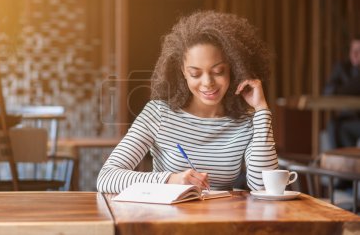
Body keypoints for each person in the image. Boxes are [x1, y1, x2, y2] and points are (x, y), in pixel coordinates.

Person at [97, 10, 278, 194]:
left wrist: (261, 110)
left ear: (234, 67)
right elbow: (107, 177)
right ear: (182, 72)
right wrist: (170, 180)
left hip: (222, 220)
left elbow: (264, 187)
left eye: (218, 71)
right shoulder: (158, 114)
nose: (207, 82)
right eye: (195, 74)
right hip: (166, 220)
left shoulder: (246, 122)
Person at [323, 37, 360, 149]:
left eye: (358, 51)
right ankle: (340, 163)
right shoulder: (342, 67)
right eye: (352, 50)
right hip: (345, 117)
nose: (355, 54)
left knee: (343, 130)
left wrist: (340, 90)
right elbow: (327, 91)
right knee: (332, 125)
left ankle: (345, 163)